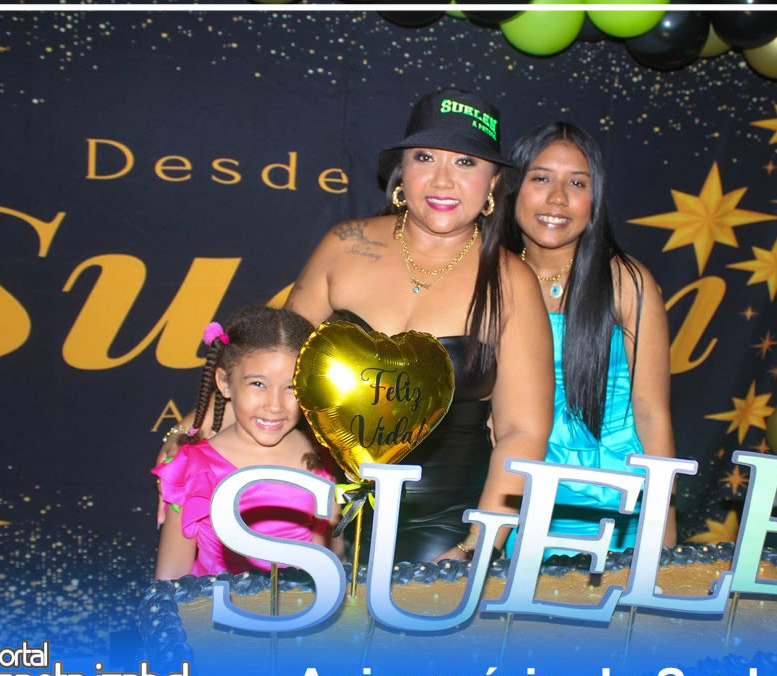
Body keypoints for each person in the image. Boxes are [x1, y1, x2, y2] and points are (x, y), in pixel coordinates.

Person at [285, 88, 553, 562]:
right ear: (401, 172)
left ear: (493, 183)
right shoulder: (343, 246)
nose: (443, 180)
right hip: (321, 516)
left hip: (446, 527)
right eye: (425, 157)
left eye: (466, 162)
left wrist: (476, 547)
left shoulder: (513, 282)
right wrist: (203, 425)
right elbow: (273, 361)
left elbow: (522, 432)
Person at [503, 121, 677, 555]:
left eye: (577, 183)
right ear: (513, 187)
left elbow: (653, 414)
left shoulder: (626, 281)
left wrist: (663, 530)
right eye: (541, 178)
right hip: (516, 502)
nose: (558, 198)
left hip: (619, 510)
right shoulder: (491, 277)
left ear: (594, 199)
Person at [153, 306, 339, 580]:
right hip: (216, 607)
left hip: (305, 606)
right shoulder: (193, 467)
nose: (274, 405)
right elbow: (170, 582)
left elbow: (332, 564)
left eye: (292, 387)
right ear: (224, 382)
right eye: (258, 384)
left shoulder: (322, 455)